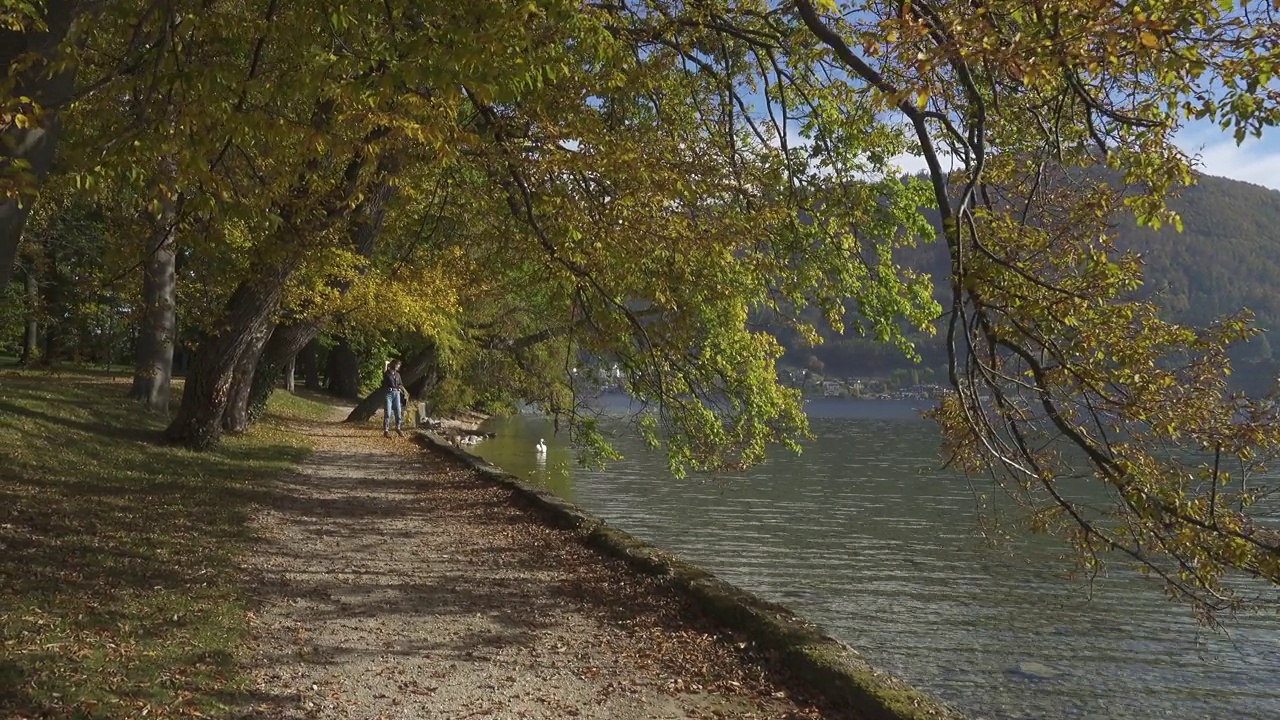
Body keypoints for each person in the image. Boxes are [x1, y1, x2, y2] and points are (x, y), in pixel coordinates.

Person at [382, 359, 407, 437]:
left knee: (398, 412)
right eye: (397, 364)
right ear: (393, 364)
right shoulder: (387, 373)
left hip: (397, 394)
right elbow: (384, 370)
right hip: (388, 394)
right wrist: (387, 364)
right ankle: (386, 430)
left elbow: (400, 384)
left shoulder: (397, 375)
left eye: (399, 365)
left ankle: (398, 428)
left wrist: (405, 392)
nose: (398, 366)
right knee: (388, 412)